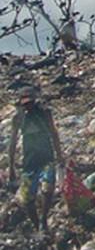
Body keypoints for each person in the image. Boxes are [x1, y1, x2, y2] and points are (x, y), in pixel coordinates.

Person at [7, 85, 64, 233]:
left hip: (46, 156)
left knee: (48, 189)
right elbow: (12, 143)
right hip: (29, 160)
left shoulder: (45, 114)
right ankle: (37, 224)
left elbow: (54, 134)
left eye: (30, 103)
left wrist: (60, 156)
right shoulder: (18, 119)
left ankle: (44, 220)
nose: (28, 107)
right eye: (25, 104)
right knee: (27, 199)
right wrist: (11, 166)